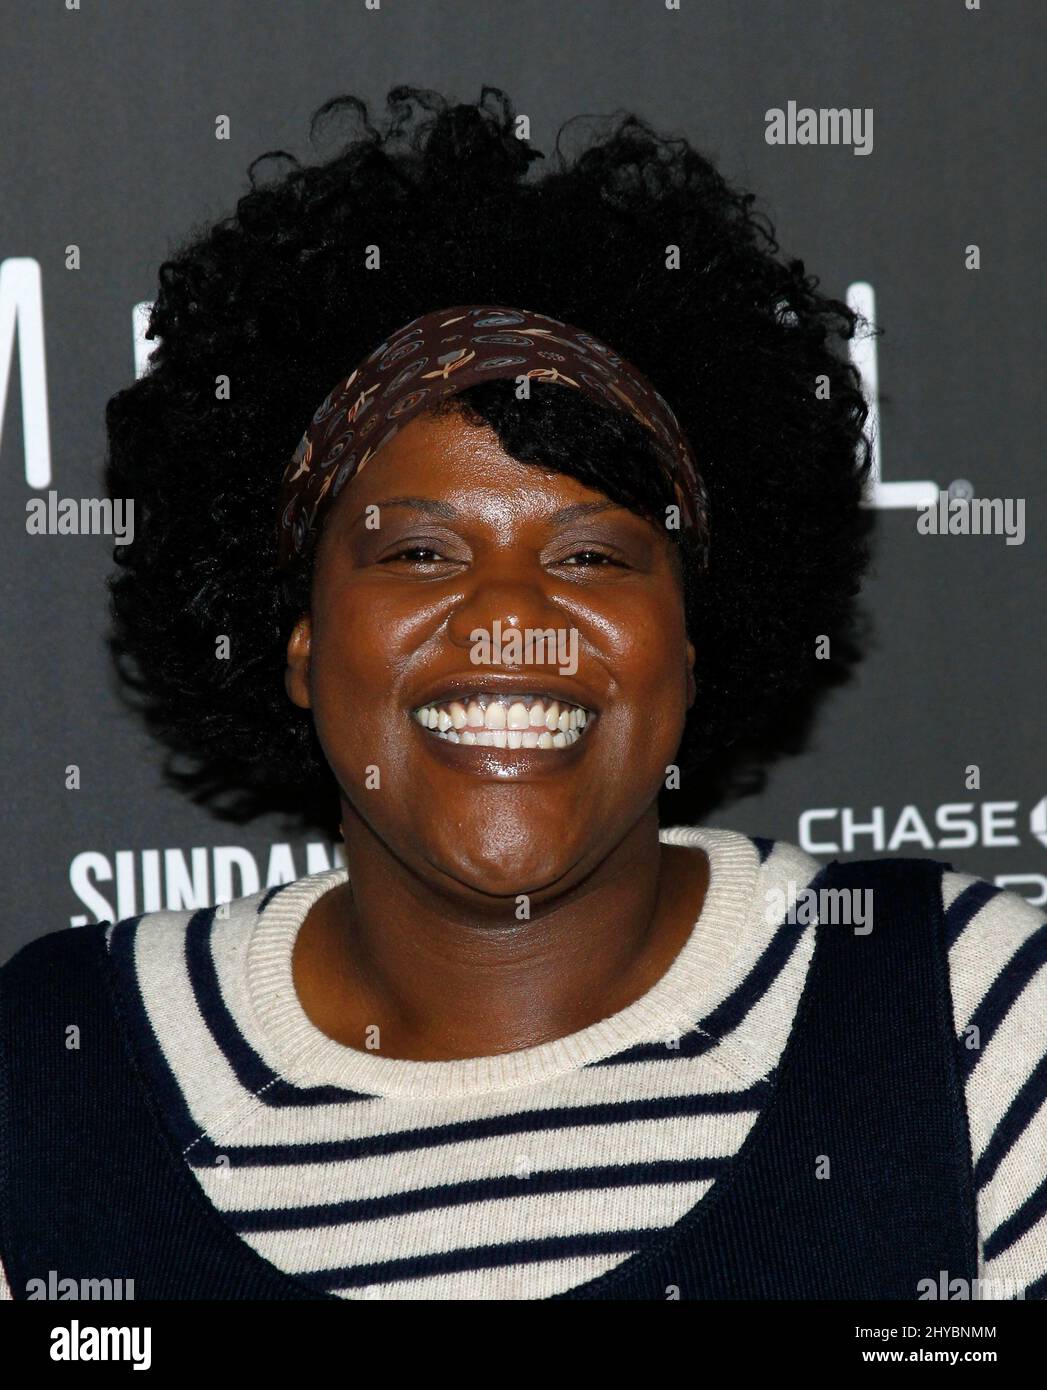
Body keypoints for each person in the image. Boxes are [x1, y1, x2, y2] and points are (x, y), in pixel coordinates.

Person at [1, 85, 1043, 1302]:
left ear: (689, 643)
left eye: (591, 555)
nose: (510, 619)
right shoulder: (54, 1073)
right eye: (419, 553)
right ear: (298, 640)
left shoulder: (968, 1023)